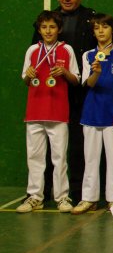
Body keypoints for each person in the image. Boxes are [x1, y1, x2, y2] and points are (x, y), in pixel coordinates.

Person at [32, 0, 96, 202]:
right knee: (48, 147)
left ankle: (76, 193)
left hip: (80, 94)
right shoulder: (48, 20)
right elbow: (34, 55)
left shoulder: (91, 20)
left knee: (78, 145)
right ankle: (44, 192)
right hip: (50, 94)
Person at [73, 14, 113, 214]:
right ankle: (89, 199)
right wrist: (97, 72)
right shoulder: (88, 56)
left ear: (112, 30)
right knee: (91, 158)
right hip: (91, 114)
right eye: (96, 28)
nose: (100, 31)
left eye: (104, 27)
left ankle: (112, 199)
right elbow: (89, 84)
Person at [17, 11, 80, 213]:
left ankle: (62, 197)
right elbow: (25, 79)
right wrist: (28, 75)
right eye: (44, 27)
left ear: (59, 29)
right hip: (34, 112)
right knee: (34, 157)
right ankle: (35, 196)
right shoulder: (32, 51)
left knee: (59, 157)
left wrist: (65, 73)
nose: (48, 31)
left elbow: (76, 78)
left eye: (52, 27)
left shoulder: (67, 49)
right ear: (39, 29)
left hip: (58, 112)